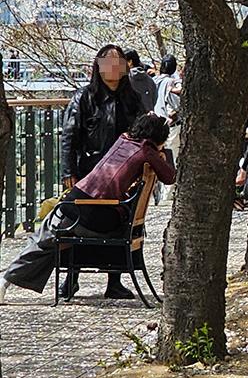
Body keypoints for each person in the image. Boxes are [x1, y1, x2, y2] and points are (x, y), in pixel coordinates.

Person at [1, 114, 176, 303]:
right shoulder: (147, 151)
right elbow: (170, 176)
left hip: (86, 208)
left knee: (45, 236)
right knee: (49, 234)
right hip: (94, 212)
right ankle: (11, 281)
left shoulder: (123, 139)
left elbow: (168, 177)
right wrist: (162, 152)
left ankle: (7, 281)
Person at [58, 44, 147, 298]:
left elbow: (143, 135)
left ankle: (115, 280)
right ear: (97, 66)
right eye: (107, 60)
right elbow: (69, 138)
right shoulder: (84, 97)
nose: (113, 66)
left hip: (123, 175)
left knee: (118, 221)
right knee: (76, 220)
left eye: (118, 61)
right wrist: (68, 172)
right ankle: (71, 276)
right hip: (89, 173)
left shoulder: (132, 99)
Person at [153, 54, 183, 204]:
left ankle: (157, 196)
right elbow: (178, 105)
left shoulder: (153, 81)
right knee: (171, 159)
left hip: (154, 127)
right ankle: (167, 196)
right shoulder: (172, 82)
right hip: (170, 126)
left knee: (156, 160)